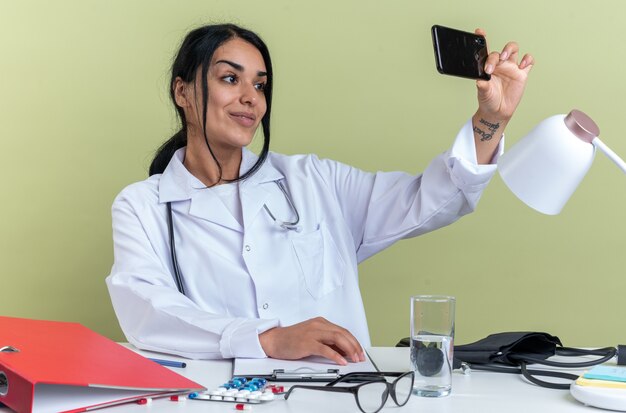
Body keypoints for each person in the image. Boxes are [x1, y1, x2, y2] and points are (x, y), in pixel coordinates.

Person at [106, 23, 533, 365]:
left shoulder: (315, 182)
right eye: (230, 78)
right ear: (183, 92)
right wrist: (268, 338)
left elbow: (432, 199)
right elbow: (148, 311)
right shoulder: (143, 206)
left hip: (341, 397)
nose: (249, 98)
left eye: (260, 85)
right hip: (228, 400)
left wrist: (489, 120)